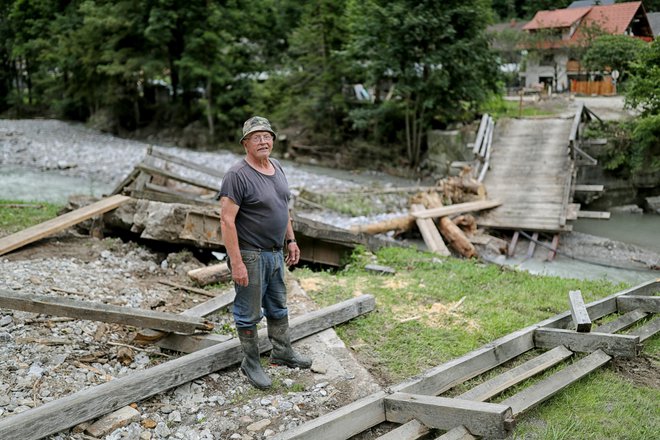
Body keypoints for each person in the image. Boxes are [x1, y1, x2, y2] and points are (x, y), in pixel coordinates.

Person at [219, 116, 312, 389]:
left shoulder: (278, 166)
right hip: (251, 254)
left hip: (274, 253)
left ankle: (282, 353)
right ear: (245, 143)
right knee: (248, 313)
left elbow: (283, 209)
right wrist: (236, 262)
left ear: (273, 140)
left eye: (267, 136)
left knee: (278, 306)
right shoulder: (237, 175)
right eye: (256, 137)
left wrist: (291, 240)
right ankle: (250, 364)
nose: (263, 141)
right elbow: (226, 220)